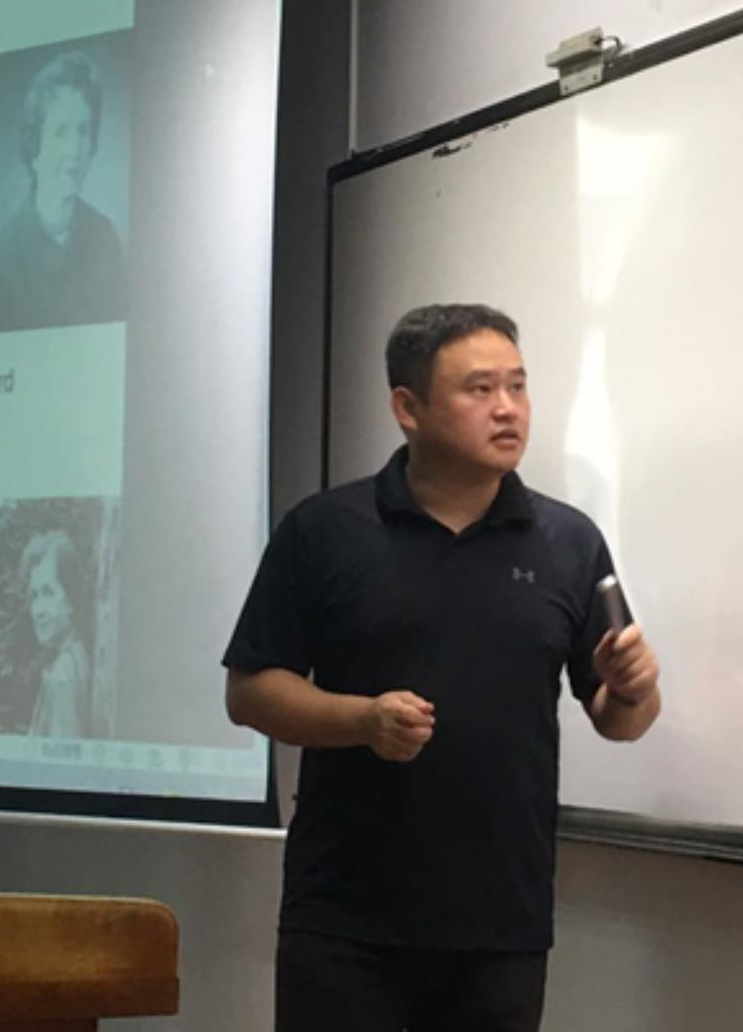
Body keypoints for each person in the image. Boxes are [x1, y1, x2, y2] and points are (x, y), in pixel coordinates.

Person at [224, 303, 661, 1032]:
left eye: (517, 386)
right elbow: (249, 692)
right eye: (480, 389)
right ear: (408, 408)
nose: (507, 409)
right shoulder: (325, 531)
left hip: (501, 926)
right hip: (345, 921)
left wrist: (634, 689)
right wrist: (362, 720)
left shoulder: (569, 542)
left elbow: (619, 719)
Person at [0, 51, 127, 333]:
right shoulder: (0, 261)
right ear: (35, 147)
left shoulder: (105, 238)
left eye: (83, 131)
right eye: (60, 132)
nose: (74, 149)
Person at [23, 528, 93, 738]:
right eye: (34, 596)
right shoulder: (75, 654)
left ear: (70, 599)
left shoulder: (63, 677)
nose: (38, 610)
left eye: (48, 592)